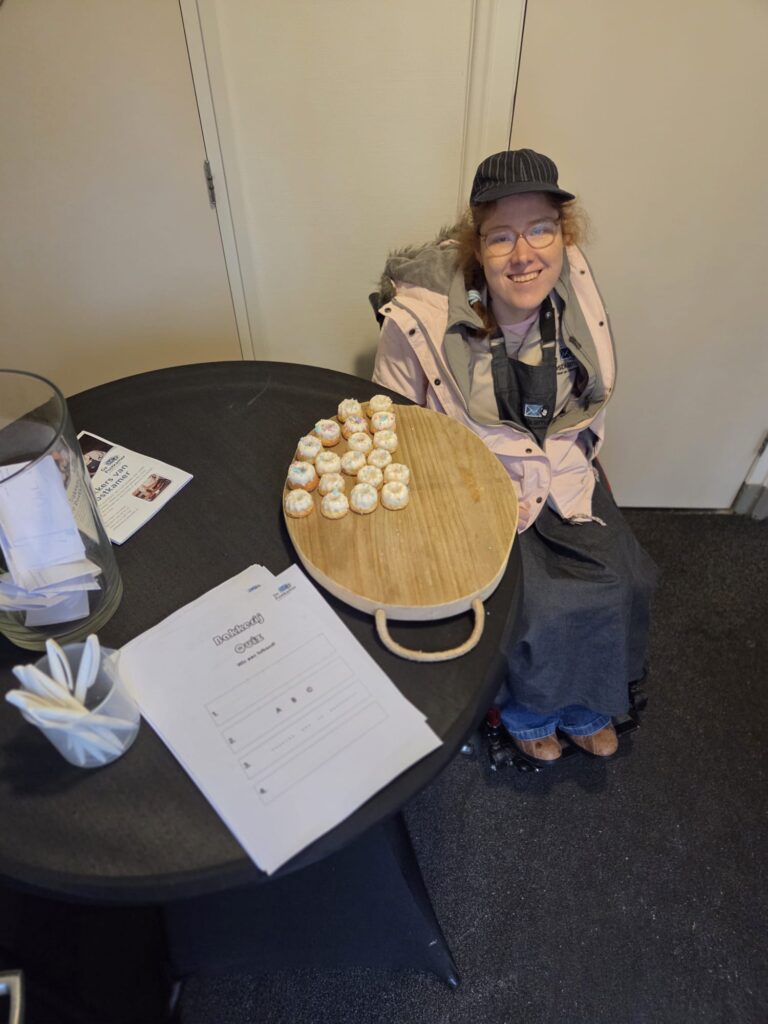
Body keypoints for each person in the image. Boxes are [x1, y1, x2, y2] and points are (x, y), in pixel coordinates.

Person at [372, 148, 658, 765]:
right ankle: (530, 715)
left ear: (563, 237)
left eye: (540, 230)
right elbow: (395, 422)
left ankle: (585, 707)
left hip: (558, 468)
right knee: (540, 602)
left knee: (631, 580)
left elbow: (588, 403)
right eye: (502, 237)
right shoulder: (419, 319)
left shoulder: (575, 294)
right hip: (474, 482)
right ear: (478, 247)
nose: (524, 253)